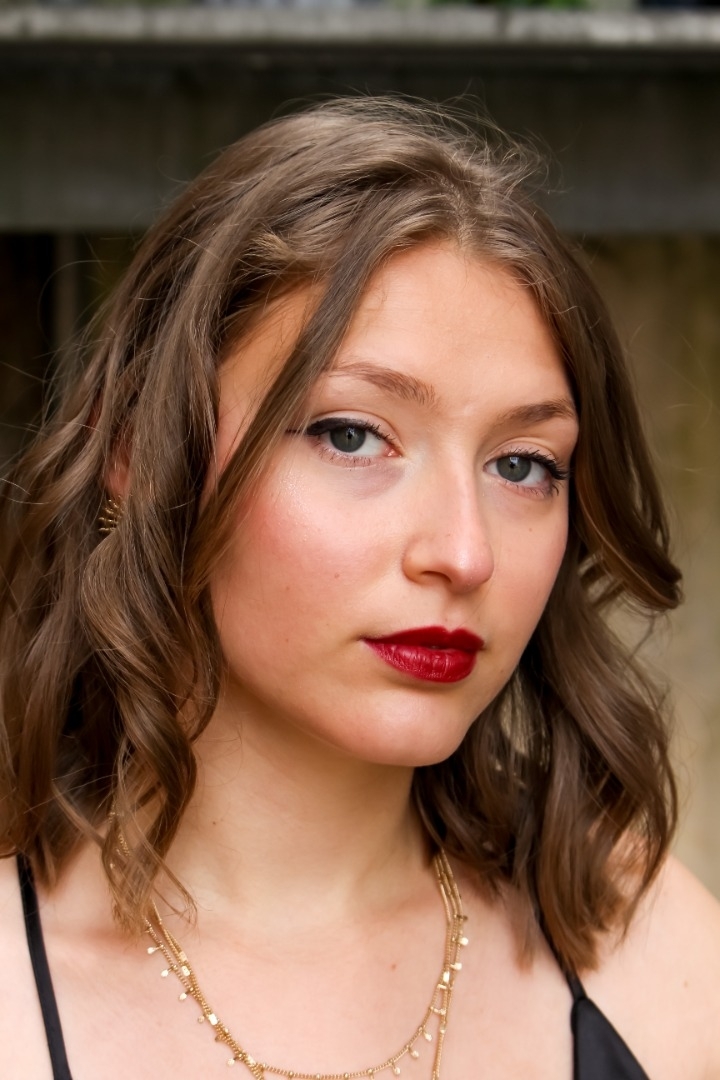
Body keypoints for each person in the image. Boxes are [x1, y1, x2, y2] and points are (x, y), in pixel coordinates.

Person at [0, 97, 718, 1080]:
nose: (464, 553)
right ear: (142, 456)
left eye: (522, 465)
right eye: (352, 435)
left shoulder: (647, 955)